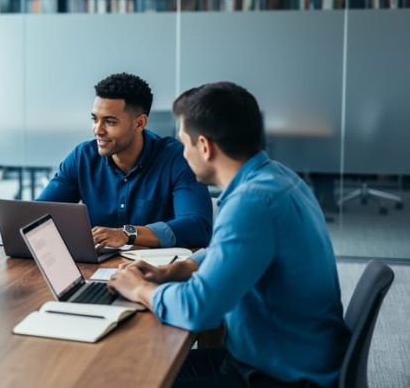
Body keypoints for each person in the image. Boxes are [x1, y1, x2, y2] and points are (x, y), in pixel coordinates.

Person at [109, 82, 349, 387]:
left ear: (205, 147)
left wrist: (138, 289)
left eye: (184, 143)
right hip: (286, 356)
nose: (182, 153)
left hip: (278, 376)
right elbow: (231, 250)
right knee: (139, 366)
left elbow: (197, 310)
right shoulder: (278, 178)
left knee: (127, 378)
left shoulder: (251, 204)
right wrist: (179, 268)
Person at [36, 72, 212, 250]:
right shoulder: (83, 157)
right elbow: (38, 216)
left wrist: (127, 233)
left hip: (157, 272)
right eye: (94, 119)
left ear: (139, 123)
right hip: (94, 269)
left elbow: (197, 227)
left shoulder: (177, 159)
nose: (98, 130)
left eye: (110, 122)